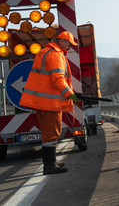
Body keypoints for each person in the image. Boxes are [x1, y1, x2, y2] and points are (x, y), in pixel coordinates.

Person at [20, 31, 81, 175]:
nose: (70, 47)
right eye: (69, 44)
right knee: (52, 132)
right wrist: (70, 94)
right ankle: (49, 165)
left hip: (41, 102)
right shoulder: (56, 54)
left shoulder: (44, 52)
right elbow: (58, 79)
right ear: (62, 42)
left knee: (47, 132)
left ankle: (51, 161)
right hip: (50, 103)